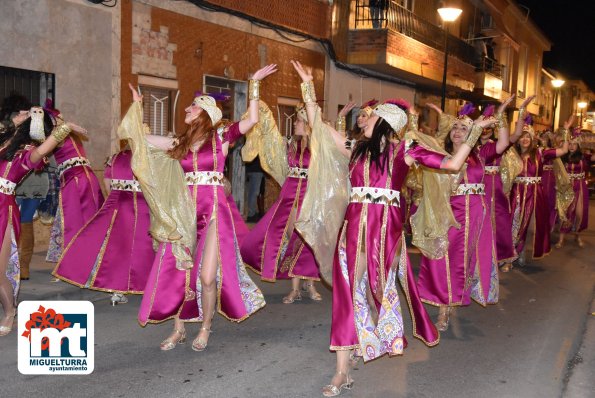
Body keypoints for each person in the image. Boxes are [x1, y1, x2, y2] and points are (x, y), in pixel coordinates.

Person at [291, 60, 492, 397]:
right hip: (352, 231)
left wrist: (472, 134)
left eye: (369, 116)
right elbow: (319, 128)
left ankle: (364, 336)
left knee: (374, 291)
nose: (362, 119)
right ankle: (342, 371)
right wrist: (308, 88)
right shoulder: (354, 149)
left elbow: (453, 163)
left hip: (385, 233)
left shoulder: (406, 151)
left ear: (384, 121)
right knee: (345, 293)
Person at [118, 64, 277, 352]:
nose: (187, 109)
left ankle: (205, 327)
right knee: (180, 272)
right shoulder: (179, 142)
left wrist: (253, 82)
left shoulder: (222, 138)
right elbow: (139, 141)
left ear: (204, 112)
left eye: (192, 106)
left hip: (215, 212)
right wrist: (137, 106)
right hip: (184, 214)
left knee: (206, 276)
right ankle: (179, 328)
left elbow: (252, 118)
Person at [417, 98, 514, 331]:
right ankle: (443, 308)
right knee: (444, 258)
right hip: (449, 212)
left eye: (463, 128)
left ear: (472, 131)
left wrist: (501, 114)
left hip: (477, 214)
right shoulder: (439, 154)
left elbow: (504, 141)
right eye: (455, 127)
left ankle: (456, 298)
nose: (457, 131)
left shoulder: (481, 153)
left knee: (467, 259)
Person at [0, 106, 84, 336]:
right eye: (27, 112)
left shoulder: (29, 152)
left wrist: (64, 128)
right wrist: (14, 121)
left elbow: (45, 147)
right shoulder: (4, 140)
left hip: (2, 210)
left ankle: (9, 312)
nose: (29, 113)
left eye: (35, 114)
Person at [241, 102, 322, 304]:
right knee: (294, 238)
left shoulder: (319, 146)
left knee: (308, 241)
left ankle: (309, 283)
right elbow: (270, 138)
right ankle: (295, 288)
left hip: (309, 195)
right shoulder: (289, 145)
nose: (295, 123)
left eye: (299, 121)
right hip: (289, 196)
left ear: (308, 124)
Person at [52, 147, 154, 305]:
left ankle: (117, 291)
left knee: (117, 249)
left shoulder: (115, 157)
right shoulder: (149, 157)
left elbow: (108, 183)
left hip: (117, 204)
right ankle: (148, 286)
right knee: (143, 249)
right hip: (142, 206)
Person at [479, 96, 535, 273]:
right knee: (480, 224)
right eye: (484, 127)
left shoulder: (498, 146)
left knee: (501, 224)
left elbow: (517, 134)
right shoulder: (469, 147)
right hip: (478, 189)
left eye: (490, 127)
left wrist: (521, 109)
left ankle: (503, 257)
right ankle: (480, 258)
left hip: (497, 189)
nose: (486, 130)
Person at [45, 104, 104, 263]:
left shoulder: (59, 135)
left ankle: (73, 260)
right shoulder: (72, 136)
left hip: (74, 179)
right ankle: (91, 257)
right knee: (90, 217)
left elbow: (43, 151)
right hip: (89, 177)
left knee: (72, 219)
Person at [509, 114, 571, 265]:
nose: (525, 139)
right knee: (514, 225)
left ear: (532, 139)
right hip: (517, 192)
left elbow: (563, 151)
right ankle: (510, 257)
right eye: (522, 137)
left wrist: (565, 131)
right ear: (518, 139)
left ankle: (522, 251)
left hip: (536, 194)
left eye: (528, 137)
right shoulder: (511, 154)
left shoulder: (540, 153)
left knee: (531, 227)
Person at [556, 129, 595, 248]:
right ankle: (561, 238)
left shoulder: (584, 156)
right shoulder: (562, 157)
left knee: (579, 214)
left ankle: (577, 235)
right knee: (566, 213)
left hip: (581, 186)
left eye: (574, 144)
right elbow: (557, 172)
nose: (572, 146)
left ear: (578, 145)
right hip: (567, 187)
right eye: (570, 143)